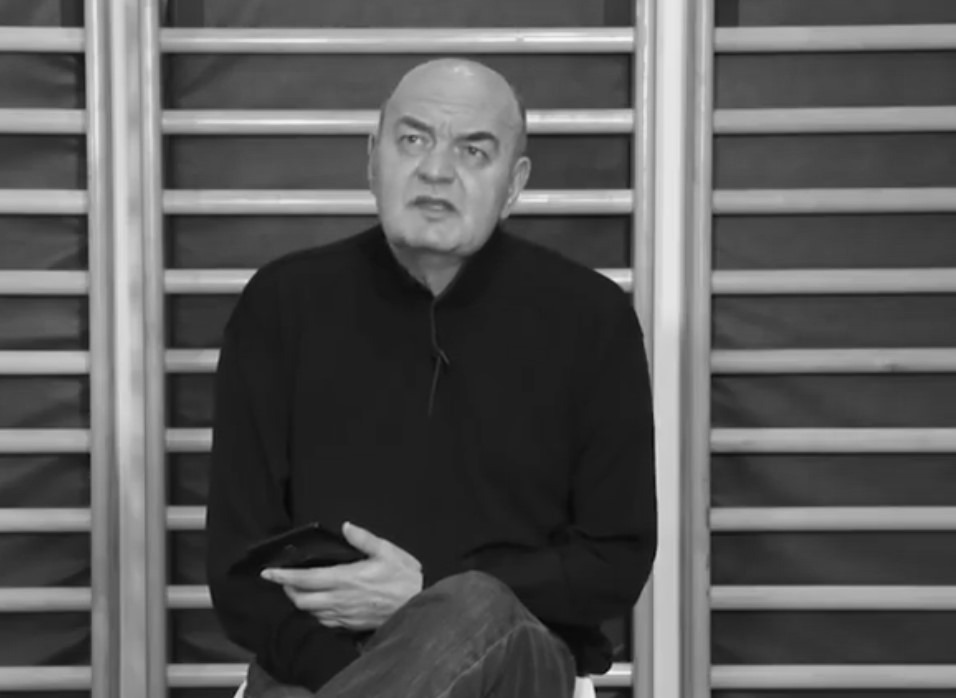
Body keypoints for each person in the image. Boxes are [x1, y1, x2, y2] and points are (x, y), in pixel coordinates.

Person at [206, 57, 657, 698]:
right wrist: (365, 676)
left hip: (517, 662)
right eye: (413, 140)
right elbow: (238, 570)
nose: (436, 170)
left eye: (474, 151)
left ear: (514, 184)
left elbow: (615, 562)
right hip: (312, 665)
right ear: (372, 159)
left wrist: (424, 593)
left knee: (475, 604)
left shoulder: (591, 318)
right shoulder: (283, 305)